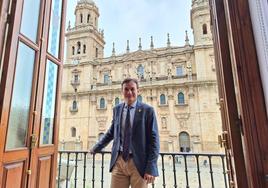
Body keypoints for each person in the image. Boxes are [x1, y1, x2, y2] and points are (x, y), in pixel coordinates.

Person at [90, 78, 160, 188]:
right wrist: (97, 147)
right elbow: (111, 132)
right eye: (126, 89)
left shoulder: (148, 110)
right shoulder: (117, 109)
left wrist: (151, 167)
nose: (129, 92)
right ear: (122, 91)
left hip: (139, 164)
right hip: (119, 161)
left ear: (138, 91)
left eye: (132, 89)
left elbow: (154, 140)